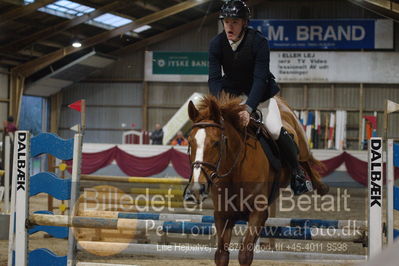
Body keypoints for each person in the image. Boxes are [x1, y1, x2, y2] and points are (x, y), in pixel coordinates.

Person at [208, 0, 312, 195]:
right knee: (213, 131)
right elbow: (214, 79)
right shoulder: (216, 44)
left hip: (260, 94)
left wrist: (248, 109)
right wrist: (221, 103)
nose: (229, 26)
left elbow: (259, 79)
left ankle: (297, 174)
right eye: (227, 21)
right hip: (231, 96)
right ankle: (206, 177)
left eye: (235, 22)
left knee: (273, 130)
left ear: (244, 23)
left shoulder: (259, 42)